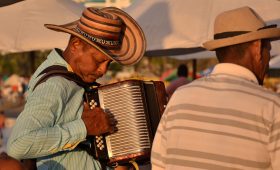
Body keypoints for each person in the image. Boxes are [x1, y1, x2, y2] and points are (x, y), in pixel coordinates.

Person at [7, 7, 146, 170]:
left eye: (108, 63)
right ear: (76, 45)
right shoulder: (56, 84)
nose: (103, 70)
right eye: (98, 60)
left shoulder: (66, 78)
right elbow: (18, 145)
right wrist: (84, 128)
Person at [151, 6, 280, 169]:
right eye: (268, 50)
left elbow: (158, 165)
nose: (268, 60)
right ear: (256, 48)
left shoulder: (179, 97)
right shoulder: (273, 107)